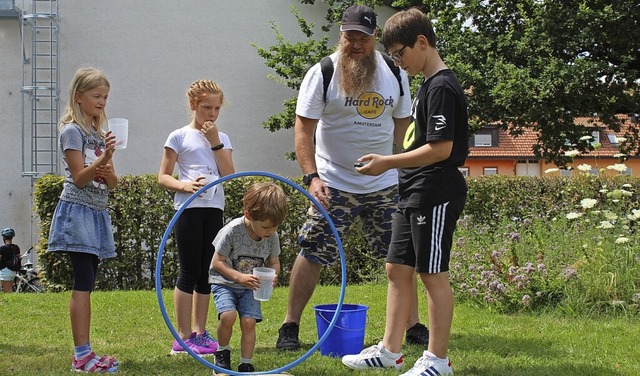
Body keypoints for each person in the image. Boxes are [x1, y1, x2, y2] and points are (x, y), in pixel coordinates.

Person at [276, 4, 429, 351]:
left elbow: (404, 130)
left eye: (362, 37)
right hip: (333, 183)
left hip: (385, 184)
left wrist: (407, 171)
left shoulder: (395, 71)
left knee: (401, 255)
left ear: (375, 37)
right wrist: (312, 178)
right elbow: (303, 129)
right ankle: (290, 326)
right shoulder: (324, 72)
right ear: (341, 36)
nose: (355, 43)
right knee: (313, 249)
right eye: (350, 36)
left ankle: (414, 326)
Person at [341, 7, 469, 376]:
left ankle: (437, 361)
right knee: (397, 269)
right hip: (413, 191)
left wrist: (387, 161)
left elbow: (441, 149)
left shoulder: (442, 86)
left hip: (435, 190)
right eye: (393, 56)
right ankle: (390, 351)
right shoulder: (427, 86)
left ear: (422, 42)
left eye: (400, 53)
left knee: (432, 274)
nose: (397, 62)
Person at [47, 67, 120, 373]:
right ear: (79, 97)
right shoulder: (72, 131)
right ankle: (81, 355)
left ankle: (85, 353)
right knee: (83, 281)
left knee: (87, 282)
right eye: (96, 96)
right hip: (77, 211)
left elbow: (112, 182)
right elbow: (78, 178)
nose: (102, 101)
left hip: (97, 211)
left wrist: (108, 170)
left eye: (105, 96)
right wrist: (101, 162)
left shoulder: (100, 135)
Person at [158, 79, 235, 356]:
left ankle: (200, 333)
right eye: (206, 108)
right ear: (193, 105)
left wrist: (215, 142)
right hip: (188, 209)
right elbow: (163, 176)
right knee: (189, 270)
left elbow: (229, 173)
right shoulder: (178, 136)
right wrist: (184, 186)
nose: (211, 114)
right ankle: (182, 336)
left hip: (214, 209)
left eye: (216, 109)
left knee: (207, 271)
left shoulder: (222, 138)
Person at [209, 182, 287, 373]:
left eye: (275, 227)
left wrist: (274, 275)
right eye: (266, 226)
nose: (270, 231)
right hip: (224, 282)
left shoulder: (272, 236)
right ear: (249, 216)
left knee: (249, 322)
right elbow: (217, 262)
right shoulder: (232, 231)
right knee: (228, 316)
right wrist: (239, 277)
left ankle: (246, 363)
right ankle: (222, 353)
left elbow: (274, 261)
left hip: (251, 287)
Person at [0, 228, 21, 293]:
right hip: (12, 271)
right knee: (6, 290)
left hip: (5, 271)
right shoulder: (16, 247)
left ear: (4, 238)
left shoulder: (2, 249)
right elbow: (18, 257)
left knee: (7, 292)